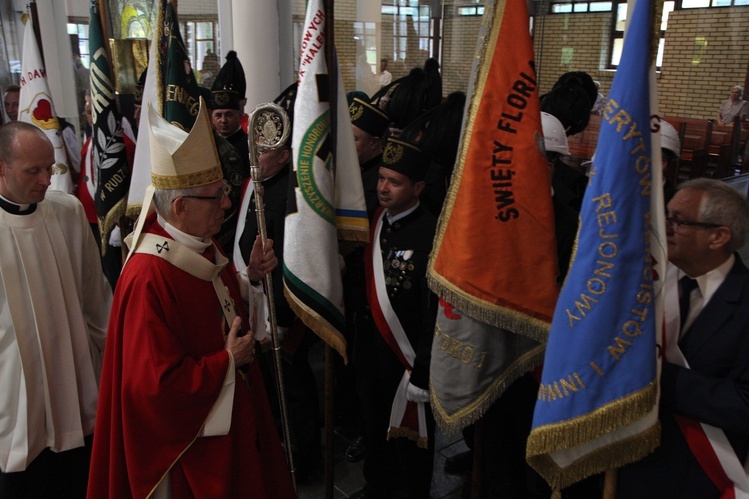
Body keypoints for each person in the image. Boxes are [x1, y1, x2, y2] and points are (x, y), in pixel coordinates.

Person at [87, 97, 294, 497]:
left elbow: (215, 306)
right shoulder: (149, 274)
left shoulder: (198, 243)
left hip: (225, 418)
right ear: (180, 206)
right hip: (187, 449)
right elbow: (153, 389)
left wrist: (248, 278)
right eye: (216, 196)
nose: (229, 202)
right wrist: (225, 363)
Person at [618, 178, 749, 498]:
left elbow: (744, 403)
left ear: (719, 236)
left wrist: (653, 376)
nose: (665, 227)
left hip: (692, 473)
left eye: (680, 221)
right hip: (618, 459)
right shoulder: (639, 281)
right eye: (667, 215)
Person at [0, 121, 112, 497]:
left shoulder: (67, 211)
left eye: (50, 168)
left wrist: (119, 364)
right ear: (2, 167)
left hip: (74, 386)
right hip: (13, 397)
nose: (47, 180)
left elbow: (96, 300)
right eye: (33, 170)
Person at [353, 138, 437, 498]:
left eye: (395, 181)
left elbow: (434, 312)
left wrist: (423, 371)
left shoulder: (431, 232)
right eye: (382, 178)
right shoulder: (375, 218)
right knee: (373, 422)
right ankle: (377, 485)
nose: (383, 188)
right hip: (371, 348)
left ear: (417, 188)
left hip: (408, 357)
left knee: (412, 438)